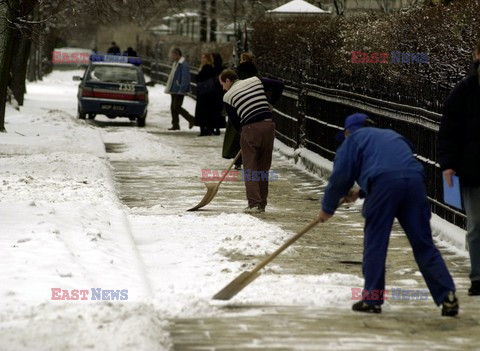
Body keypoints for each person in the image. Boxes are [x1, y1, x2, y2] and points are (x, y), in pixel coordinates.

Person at [317, 113, 458, 317]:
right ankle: (447, 295)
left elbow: (340, 177)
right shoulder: (392, 135)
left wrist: (327, 208)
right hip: (414, 183)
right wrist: (361, 192)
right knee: (423, 243)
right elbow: (395, 166)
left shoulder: (353, 140)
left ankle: (372, 300)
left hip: (384, 186)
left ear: (348, 131)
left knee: (376, 241)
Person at [437, 39, 480, 297]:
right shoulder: (465, 91)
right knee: (476, 225)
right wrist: (449, 165)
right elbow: (449, 132)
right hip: (474, 170)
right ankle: (477, 277)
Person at [219, 69, 284, 213]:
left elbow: (236, 122)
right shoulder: (255, 80)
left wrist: (245, 135)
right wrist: (270, 103)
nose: (223, 88)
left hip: (250, 128)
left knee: (250, 168)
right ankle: (262, 204)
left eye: (223, 84)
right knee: (263, 167)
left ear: (228, 80)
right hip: (268, 125)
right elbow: (279, 85)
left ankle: (254, 203)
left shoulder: (228, 96)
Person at [222, 53, 259, 170]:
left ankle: (237, 160)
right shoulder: (255, 73)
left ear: (242, 60)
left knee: (236, 134)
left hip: (238, 105)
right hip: (251, 106)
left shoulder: (238, 72)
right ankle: (251, 159)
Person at [164, 48, 195, 131]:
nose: (172, 57)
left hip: (179, 89)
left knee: (176, 106)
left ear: (178, 55)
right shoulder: (176, 63)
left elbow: (185, 78)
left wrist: (182, 89)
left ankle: (191, 119)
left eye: (173, 55)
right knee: (173, 107)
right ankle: (175, 124)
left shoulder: (183, 64)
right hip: (174, 89)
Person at [195, 53, 223, 136]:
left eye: (204, 58)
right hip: (208, 93)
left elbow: (199, 78)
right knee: (208, 111)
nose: (202, 60)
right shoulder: (211, 68)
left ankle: (205, 129)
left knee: (204, 111)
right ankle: (210, 128)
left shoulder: (206, 68)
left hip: (205, 93)